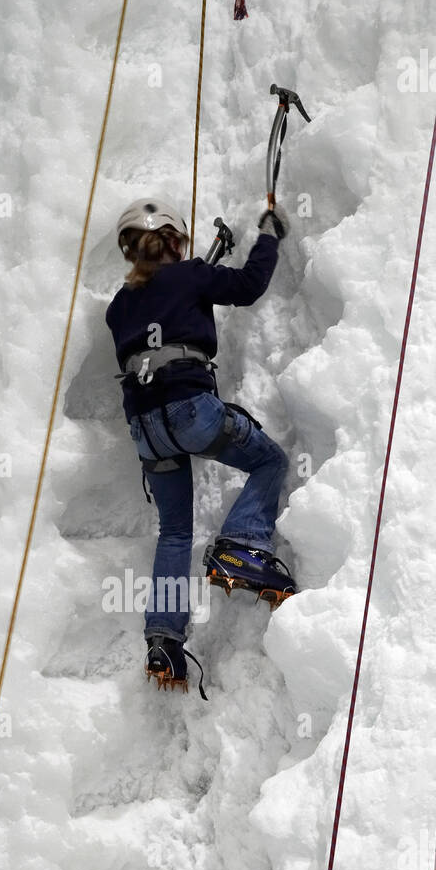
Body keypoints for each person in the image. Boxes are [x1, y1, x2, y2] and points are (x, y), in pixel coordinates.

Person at [105, 196, 296, 695]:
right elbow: (248, 286)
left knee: (173, 532)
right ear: (174, 239)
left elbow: (158, 315)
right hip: (190, 410)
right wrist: (269, 235)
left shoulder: (118, 308)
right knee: (269, 461)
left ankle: (164, 642)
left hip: (146, 430)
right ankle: (239, 547)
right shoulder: (190, 275)